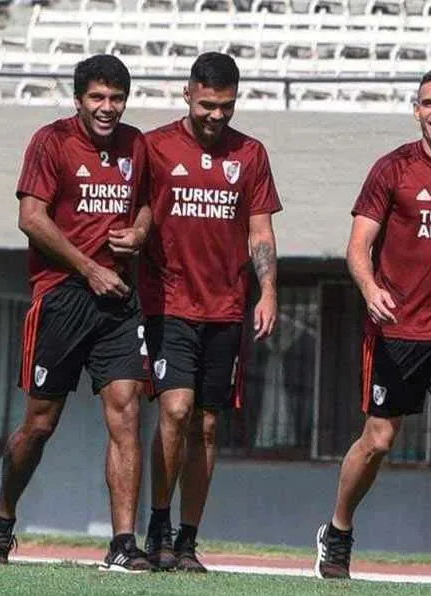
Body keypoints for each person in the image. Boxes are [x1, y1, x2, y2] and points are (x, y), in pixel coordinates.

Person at [313, 65, 431, 588]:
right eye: (429, 104)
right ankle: (338, 529)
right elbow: (359, 247)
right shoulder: (391, 169)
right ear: (417, 110)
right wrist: (370, 288)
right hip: (398, 330)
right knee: (379, 439)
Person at [0, 54, 153, 572]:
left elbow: (146, 203)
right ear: (78, 100)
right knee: (39, 424)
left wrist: (140, 232)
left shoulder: (136, 145)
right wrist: (86, 268)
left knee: (127, 412)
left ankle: (123, 542)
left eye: (116, 98)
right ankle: (3, 517)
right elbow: (31, 217)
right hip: (62, 297)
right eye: (97, 98)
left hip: (119, 299)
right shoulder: (50, 141)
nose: (107, 108)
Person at [140, 52, 282, 573]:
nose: (216, 116)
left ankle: (187, 540)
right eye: (207, 105)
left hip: (226, 308)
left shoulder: (251, 153)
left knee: (206, 425)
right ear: (187, 94)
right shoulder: (154, 147)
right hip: (169, 302)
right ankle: (157, 520)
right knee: (175, 409)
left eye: (225, 106)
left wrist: (268, 291)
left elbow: (261, 230)